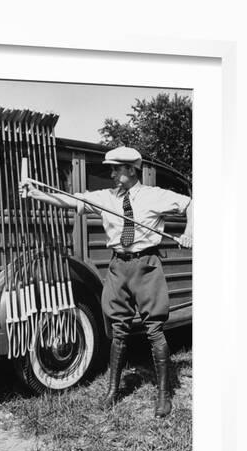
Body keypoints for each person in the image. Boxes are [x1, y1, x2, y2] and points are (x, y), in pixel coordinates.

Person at [19, 146, 193, 418]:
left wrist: (190, 231)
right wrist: (36, 193)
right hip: (118, 267)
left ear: (131, 170)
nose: (111, 174)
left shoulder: (154, 196)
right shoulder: (105, 197)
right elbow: (68, 199)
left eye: (116, 169)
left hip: (146, 265)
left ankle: (162, 394)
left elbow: (191, 204)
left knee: (154, 330)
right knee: (118, 330)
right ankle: (112, 390)